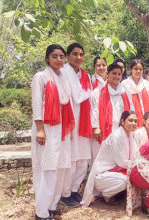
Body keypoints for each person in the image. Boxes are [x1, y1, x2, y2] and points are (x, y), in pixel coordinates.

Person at [31, 44, 74, 220]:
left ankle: (52, 206)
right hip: (47, 127)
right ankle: (41, 212)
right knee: (47, 169)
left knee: (60, 168)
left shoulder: (63, 77)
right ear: (47, 58)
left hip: (61, 127)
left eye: (61, 56)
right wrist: (40, 129)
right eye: (55, 56)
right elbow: (36, 104)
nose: (59, 59)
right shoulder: (40, 77)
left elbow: (67, 102)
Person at [81, 111, 140, 206]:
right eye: (130, 120)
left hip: (116, 171)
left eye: (135, 121)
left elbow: (136, 155)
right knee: (125, 181)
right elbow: (121, 162)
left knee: (135, 175)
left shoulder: (131, 135)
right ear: (122, 121)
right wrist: (139, 165)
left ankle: (116, 193)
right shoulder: (117, 136)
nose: (133, 123)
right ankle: (106, 194)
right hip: (103, 174)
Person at [61, 42, 92, 206]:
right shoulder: (63, 73)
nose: (78, 57)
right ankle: (65, 193)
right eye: (74, 54)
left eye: (81, 54)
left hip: (84, 121)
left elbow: (88, 98)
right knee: (70, 159)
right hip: (69, 121)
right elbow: (75, 96)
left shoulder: (85, 75)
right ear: (67, 56)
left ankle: (74, 190)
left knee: (82, 158)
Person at [91, 63, 131, 147]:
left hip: (121, 127)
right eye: (114, 73)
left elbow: (131, 108)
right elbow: (94, 110)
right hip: (104, 128)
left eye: (119, 74)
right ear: (107, 74)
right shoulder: (99, 91)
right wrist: (96, 127)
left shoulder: (125, 91)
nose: (116, 76)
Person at [122, 59, 149, 127]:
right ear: (130, 69)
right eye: (136, 69)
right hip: (130, 120)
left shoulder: (146, 84)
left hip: (145, 119)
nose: (138, 71)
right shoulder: (125, 84)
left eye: (140, 69)